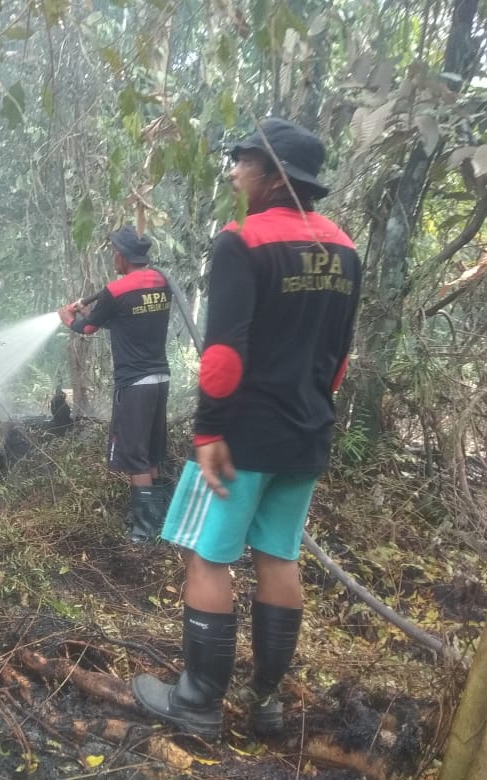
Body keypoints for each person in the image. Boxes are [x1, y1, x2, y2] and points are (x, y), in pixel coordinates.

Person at [131, 118, 362, 739]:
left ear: (272, 173)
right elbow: (339, 359)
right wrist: (308, 409)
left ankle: (198, 701)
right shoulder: (345, 248)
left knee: (209, 559)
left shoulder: (242, 241)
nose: (234, 172)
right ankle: (266, 704)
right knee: (279, 557)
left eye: (242, 162)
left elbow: (224, 356)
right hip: (307, 434)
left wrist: (208, 432)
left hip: (239, 440)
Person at [57, 226, 173, 543]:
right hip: (160, 378)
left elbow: (88, 328)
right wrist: (92, 311)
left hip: (134, 383)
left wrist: (68, 319)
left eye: (113, 253)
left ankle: (143, 534)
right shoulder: (163, 283)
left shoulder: (116, 291)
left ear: (122, 256)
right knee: (152, 454)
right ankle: (161, 524)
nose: (113, 258)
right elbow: (124, 319)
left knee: (135, 455)